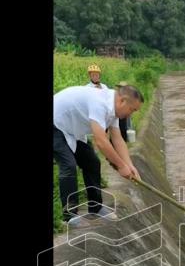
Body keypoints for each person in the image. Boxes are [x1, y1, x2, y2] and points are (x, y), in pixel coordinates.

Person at [53, 85, 144, 223]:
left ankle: (96, 207)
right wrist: (120, 166)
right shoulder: (99, 103)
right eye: (132, 109)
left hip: (70, 130)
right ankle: (70, 215)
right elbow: (101, 141)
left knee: (92, 162)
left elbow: (117, 138)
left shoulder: (113, 109)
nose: (130, 114)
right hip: (55, 125)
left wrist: (129, 165)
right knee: (68, 165)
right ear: (122, 101)